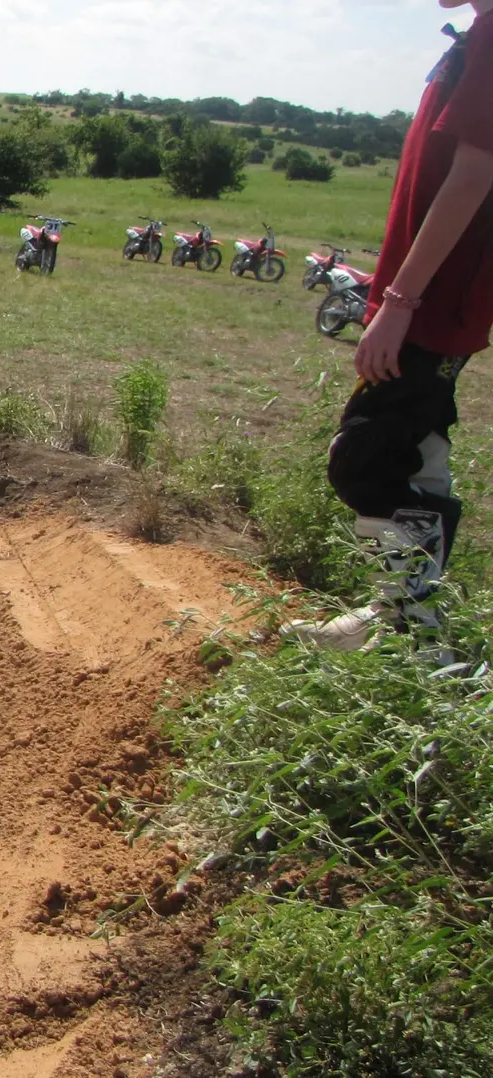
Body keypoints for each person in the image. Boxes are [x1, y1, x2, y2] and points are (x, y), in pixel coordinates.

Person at [291, 3, 493, 652]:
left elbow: (474, 173)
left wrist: (402, 300)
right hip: (435, 291)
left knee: (367, 456)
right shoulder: (475, 34)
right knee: (417, 450)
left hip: (438, 297)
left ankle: (417, 638)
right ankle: (396, 616)